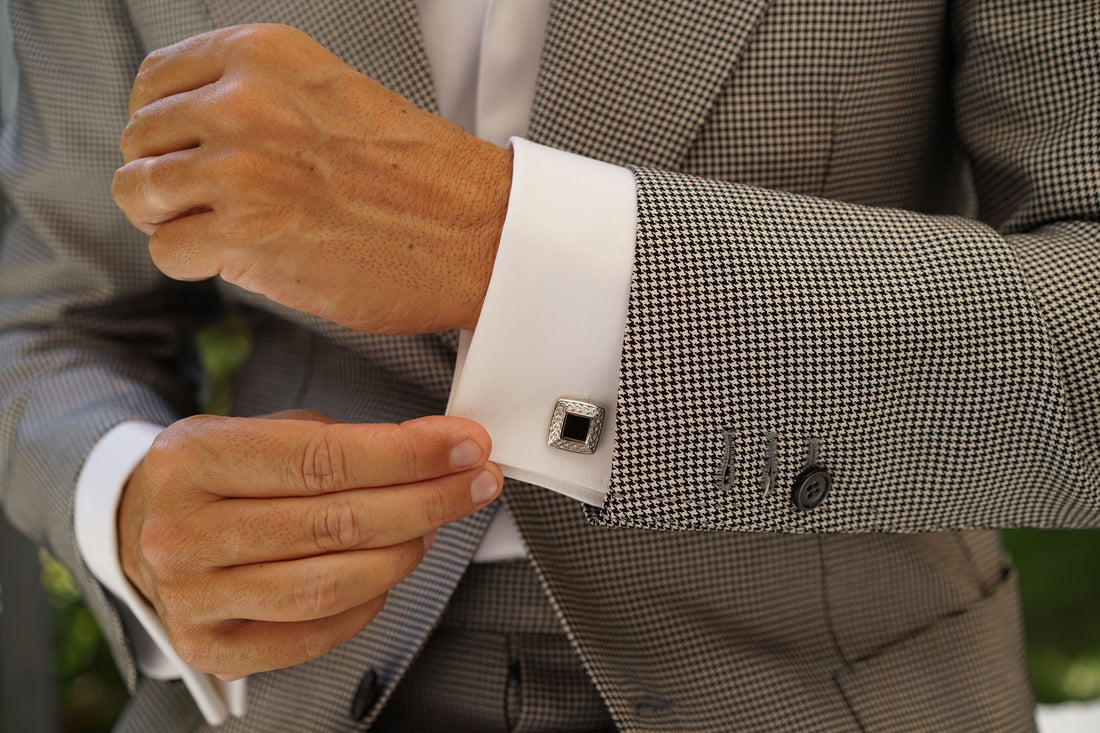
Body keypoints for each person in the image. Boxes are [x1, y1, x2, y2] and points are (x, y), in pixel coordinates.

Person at [1, 0, 1097, 730]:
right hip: (283, 686)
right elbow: (49, 318)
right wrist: (121, 497)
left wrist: (495, 241)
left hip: (826, 675)